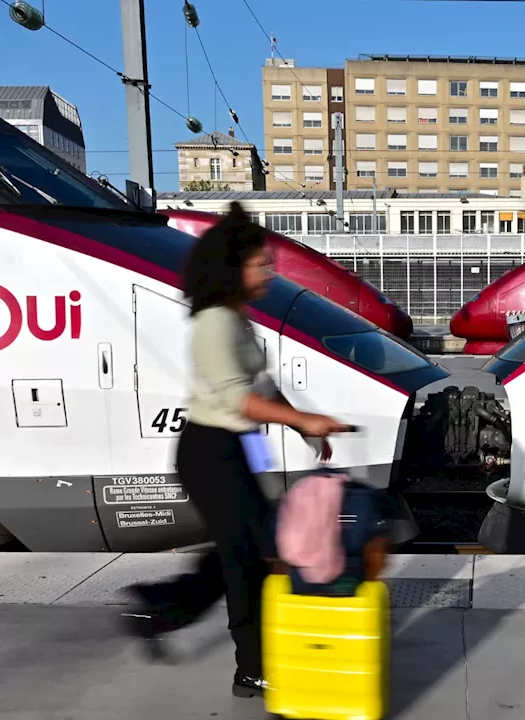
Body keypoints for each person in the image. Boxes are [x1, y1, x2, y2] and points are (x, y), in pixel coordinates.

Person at [120, 202, 351, 698]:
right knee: (246, 558)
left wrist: (304, 428)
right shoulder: (213, 324)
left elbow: (261, 385)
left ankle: (158, 607)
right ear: (233, 268)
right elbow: (236, 397)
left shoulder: (238, 319)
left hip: (238, 448)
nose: (271, 271)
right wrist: (303, 419)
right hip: (210, 453)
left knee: (244, 550)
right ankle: (251, 668)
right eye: (261, 263)